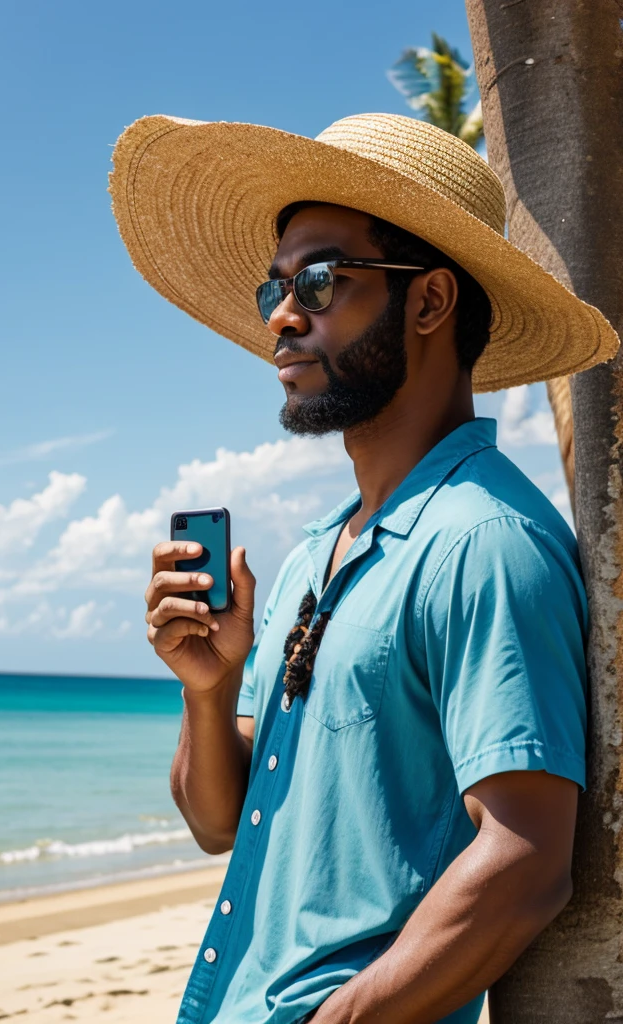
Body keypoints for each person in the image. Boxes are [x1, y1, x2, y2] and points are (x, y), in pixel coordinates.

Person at [110, 113, 619, 1024]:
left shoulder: (484, 542)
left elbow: (526, 862)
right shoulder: (320, 549)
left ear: (428, 303)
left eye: (318, 279)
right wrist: (207, 688)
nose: (280, 315)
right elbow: (220, 824)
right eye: (276, 286)